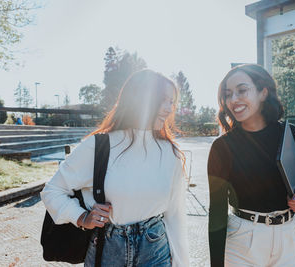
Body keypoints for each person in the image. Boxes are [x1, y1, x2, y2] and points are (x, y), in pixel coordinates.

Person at [41, 69, 189, 267]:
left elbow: (175, 216)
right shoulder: (98, 146)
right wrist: (81, 217)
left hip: (156, 249)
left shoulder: (170, 152)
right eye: (163, 99)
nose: (170, 109)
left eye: (172, 102)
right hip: (107, 250)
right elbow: (52, 191)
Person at [207, 64, 295, 267]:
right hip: (242, 240)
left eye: (242, 90)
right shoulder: (221, 148)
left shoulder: (290, 134)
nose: (233, 100)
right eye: (228, 94)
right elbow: (217, 211)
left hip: (287, 233)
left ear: (263, 92)